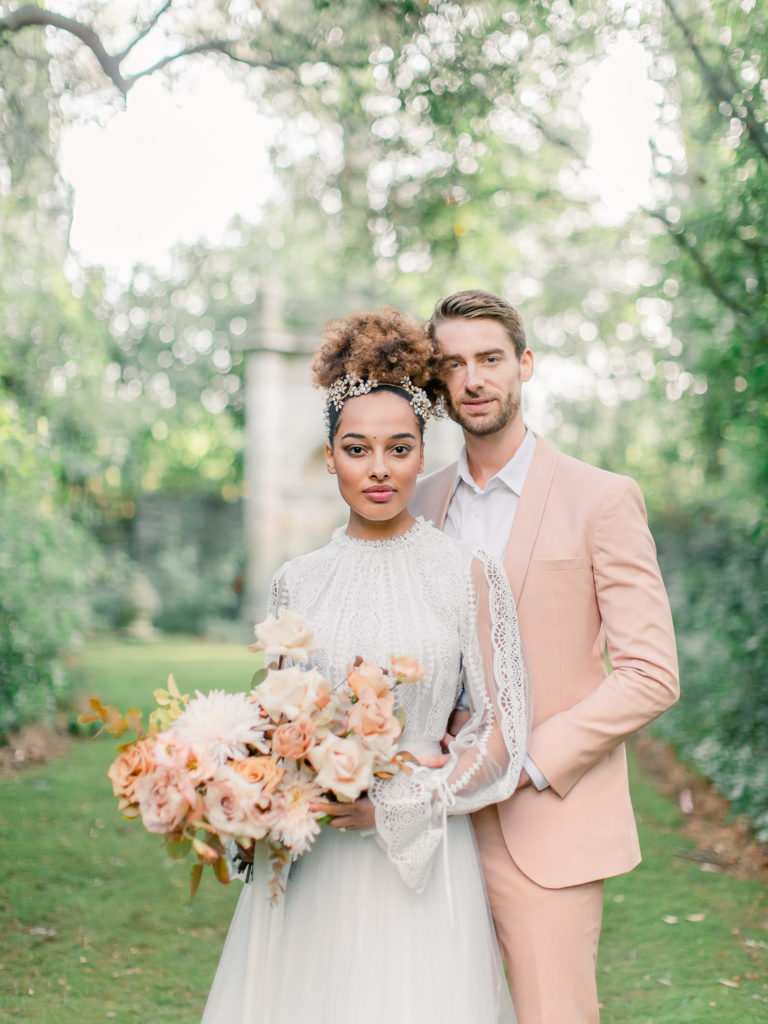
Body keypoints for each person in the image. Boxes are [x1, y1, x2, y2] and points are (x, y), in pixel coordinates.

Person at [201, 308, 530, 1024]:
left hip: (424, 860)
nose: (379, 469)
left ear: (422, 453)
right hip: (311, 856)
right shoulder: (297, 580)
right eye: (357, 449)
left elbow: (505, 735)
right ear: (329, 459)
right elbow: (274, 719)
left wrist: (402, 801)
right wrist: (249, 780)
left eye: (398, 448)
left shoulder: (468, 572)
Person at [410, 289, 680, 1024]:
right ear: (438, 383)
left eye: (490, 358)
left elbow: (652, 674)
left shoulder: (602, 499)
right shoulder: (419, 503)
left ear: (523, 365)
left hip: (544, 818)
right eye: (453, 364)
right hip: (429, 823)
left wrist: (526, 761)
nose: (473, 379)